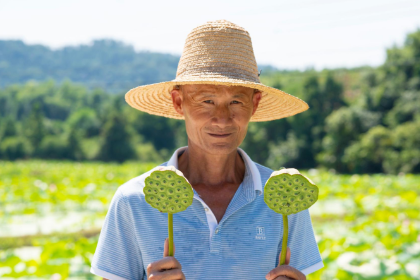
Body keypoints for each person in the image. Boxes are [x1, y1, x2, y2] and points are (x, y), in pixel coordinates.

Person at [90, 20, 323, 280]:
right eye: (207, 101)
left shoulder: (286, 200)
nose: (222, 119)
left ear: (254, 105)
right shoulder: (133, 200)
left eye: (236, 101)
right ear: (179, 102)